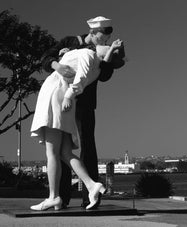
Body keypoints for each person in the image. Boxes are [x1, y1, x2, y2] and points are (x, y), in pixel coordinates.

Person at [39, 16, 125, 209]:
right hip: (62, 101)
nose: (103, 42)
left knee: (88, 148)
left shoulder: (103, 50)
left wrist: (109, 55)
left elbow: (104, 76)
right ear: (92, 32)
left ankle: (91, 198)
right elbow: (45, 58)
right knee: (62, 149)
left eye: (106, 39)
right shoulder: (70, 41)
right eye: (101, 38)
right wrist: (58, 64)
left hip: (85, 104)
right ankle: (61, 197)